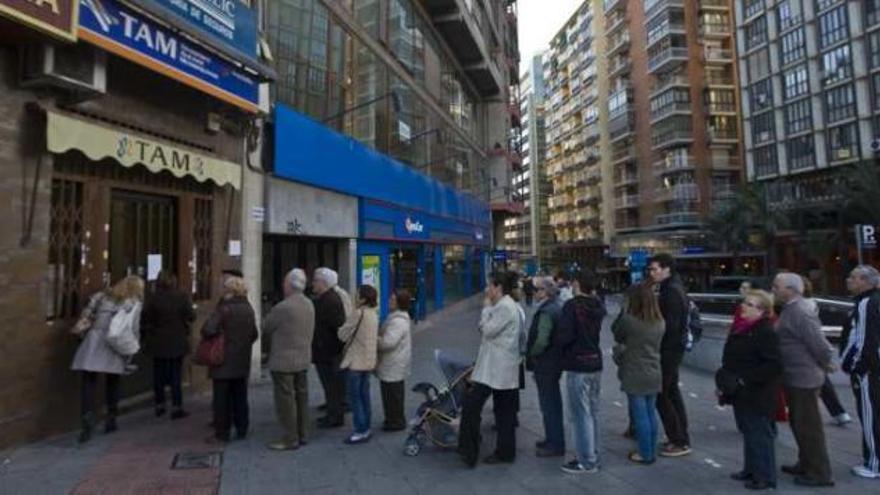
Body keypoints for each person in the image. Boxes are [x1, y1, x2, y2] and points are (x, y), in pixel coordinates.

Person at [772, 272, 835, 487]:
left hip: (804, 379)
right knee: (799, 424)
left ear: (790, 289)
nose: (773, 290)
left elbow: (819, 343)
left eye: (777, 286)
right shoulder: (791, 309)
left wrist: (826, 363)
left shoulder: (800, 312)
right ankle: (806, 462)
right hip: (794, 376)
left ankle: (819, 472)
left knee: (808, 426)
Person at [718, 289, 783, 490]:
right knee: (749, 430)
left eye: (750, 304)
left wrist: (745, 380)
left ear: (762, 311)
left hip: (757, 391)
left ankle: (764, 475)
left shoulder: (765, 331)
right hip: (741, 390)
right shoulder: (744, 327)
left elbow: (774, 364)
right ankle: (751, 469)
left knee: (759, 433)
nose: (743, 307)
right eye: (744, 302)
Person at [71, 275, 144, 443]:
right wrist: (132, 351)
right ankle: (111, 417)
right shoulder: (133, 304)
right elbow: (134, 328)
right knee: (113, 380)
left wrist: (81, 334)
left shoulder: (101, 296)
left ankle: (87, 419)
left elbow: (86, 316)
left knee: (88, 381)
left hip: (94, 340)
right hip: (114, 343)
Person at [459, 272, 522, 467]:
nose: (487, 290)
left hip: (496, 370)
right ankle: (505, 452)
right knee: (505, 413)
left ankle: (470, 451)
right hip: (500, 369)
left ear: (497, 287)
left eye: (489, 286)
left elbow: (486, 330)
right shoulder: (508, 305)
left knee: (472, 407)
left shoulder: (504, 307)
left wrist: (486, 309)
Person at [556, 271, 607, 474]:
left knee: (579, 414)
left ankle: (586, 460)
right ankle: (592, 453)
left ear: (577, 284)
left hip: (578, 364)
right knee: (592, 412)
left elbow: (564, 335)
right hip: (595, 361)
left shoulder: (572, 306)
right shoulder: (598, 305)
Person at [613, 282, 665, 466]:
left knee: (640, 414)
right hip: (654, 370)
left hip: (635, 371)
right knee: (650, 413)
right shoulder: (659, 321)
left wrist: (623, 311)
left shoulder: (629, 320)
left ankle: (645, 454)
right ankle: (650, 449)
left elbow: (616, 333)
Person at [262, 269, 314, 451]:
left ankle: (290, 438)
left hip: (283, 360)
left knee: (286, 401)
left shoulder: (283, 307)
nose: (283, 286)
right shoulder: (309, 304)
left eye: (284, 283)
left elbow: (266, 328)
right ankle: (303, 433)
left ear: (290, 285)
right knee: (302, 397)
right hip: (303, 358)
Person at [203, 275, 258, 443]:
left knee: (222, 399)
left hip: (223, 360)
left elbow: (209, 329)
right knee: (240, 395)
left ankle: (222, 432)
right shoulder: (248, 308)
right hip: (242, 359)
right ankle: (242, 427)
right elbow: (254, 334)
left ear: (229, 291)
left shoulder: (224, 309)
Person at [647, 253, 691, 457]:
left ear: (667, 269)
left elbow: (670, 327)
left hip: (668, 351)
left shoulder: (671, 292)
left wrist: (659, 348)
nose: (652, 272)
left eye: (655, 269)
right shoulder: (673, 288)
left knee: (662, 394)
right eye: (651, 269)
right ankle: (680, 436)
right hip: (673, 350)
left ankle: (678, 440)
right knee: (671, 392)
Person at [798, 275, 853, 427]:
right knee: (822, 382)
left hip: (804, 351)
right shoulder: (809, 304)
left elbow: (813, 334)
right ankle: (839, 412)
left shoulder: (802, 306)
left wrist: (826, 358)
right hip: (808, 350)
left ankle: (835, 413)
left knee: (816, 382)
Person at [842, 265, 880, 479]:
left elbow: (865, 339)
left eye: (853, 277)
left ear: (865, 281)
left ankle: (874, 464)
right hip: (874, 368)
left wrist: (856, 367)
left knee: (870, 416)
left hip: (868, 371)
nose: (849, 280)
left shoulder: (866, 303)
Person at [141, 271, 195, 420]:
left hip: (158, 341)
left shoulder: (152, 298)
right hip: (176, 340)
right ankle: (177, 406)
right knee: (175, 375)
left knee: (158, 373)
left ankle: (160, 404)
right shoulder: (182, 297)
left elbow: (145, 317)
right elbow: (191, 316)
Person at [525, 277, 564, 457]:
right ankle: (552, 438)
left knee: (548, 405)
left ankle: (554, 443)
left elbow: (541, 340)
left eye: (538, 290)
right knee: (552, 403)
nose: (535, 293)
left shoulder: (547, 311)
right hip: (554, 361)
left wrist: (532, 353)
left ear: (547, 292)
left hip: (546, 363)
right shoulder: (557, 306)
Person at [338, 285, 380, 444]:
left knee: (355, 398)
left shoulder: (358, 313)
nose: (355, 297)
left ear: (363, 298)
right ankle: (366, 427)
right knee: (365, 396)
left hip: (355, 362)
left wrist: (342, 328)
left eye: (357, 295)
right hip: (368, 361)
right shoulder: (373, 314)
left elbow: (342, 334)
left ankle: (360, 430)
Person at [311, 267, 348, 428]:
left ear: (323, 283)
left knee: (332, 385)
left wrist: (328, 345)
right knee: (331, 385)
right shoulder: (325, 298)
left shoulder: (330, 300)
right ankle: (333, 412)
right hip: (326, 350)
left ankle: (334, 416)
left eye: (315, 280)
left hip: (328, 351)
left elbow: (337, 326)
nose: (313, 283)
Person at [376, 290, 413, 432]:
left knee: (393, 395)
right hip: (395, 362)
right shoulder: (397, 318)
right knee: (392, 394)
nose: (389, 302)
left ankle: (395, 421)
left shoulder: (397, 321)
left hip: (393, 363)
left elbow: (388, 343)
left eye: (392, 300)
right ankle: (393, 419)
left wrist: (375, 339)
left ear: (398, 303)